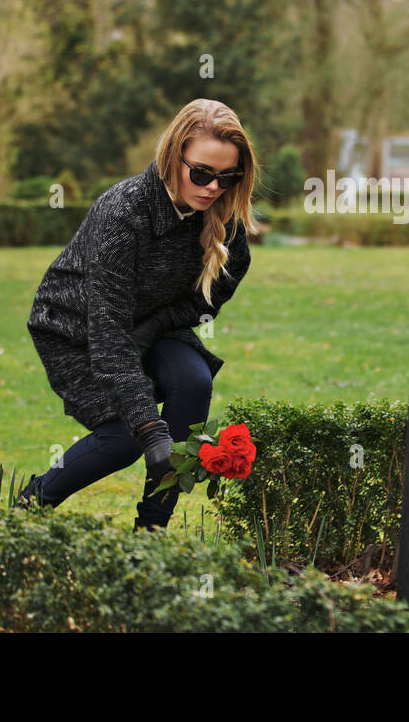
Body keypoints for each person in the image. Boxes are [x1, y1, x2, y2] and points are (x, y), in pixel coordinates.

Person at [19, 98, 258, 532]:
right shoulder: (123, 212)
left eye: (228, 177)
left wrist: (154, 327)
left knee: (193, 381)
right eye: (202, 173)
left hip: (150, 323)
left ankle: (151, 533)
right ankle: (27, 508)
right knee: (124, 439)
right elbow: (108, 332)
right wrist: (151, 428)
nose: (212, 188)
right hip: (75, 329)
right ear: (173, 155)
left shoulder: (227, 221)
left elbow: (206, 302)